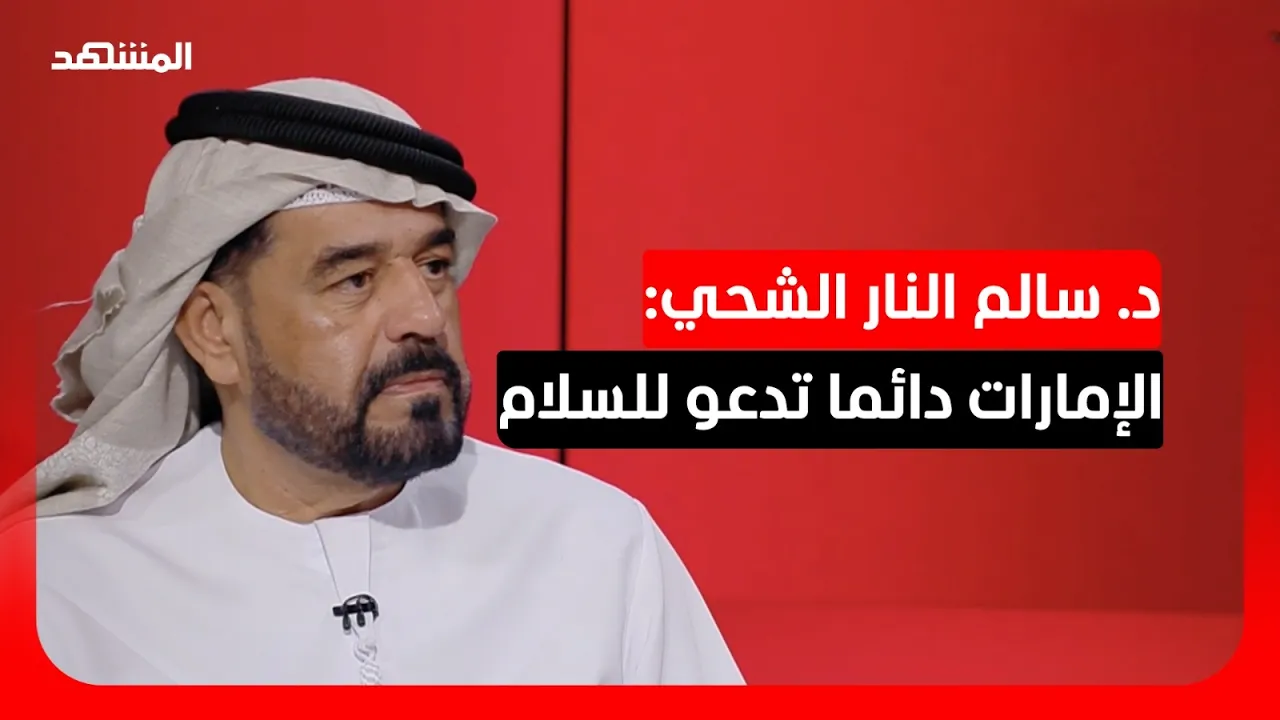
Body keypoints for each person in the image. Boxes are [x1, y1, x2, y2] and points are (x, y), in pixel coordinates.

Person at [21, 78, 743, 685]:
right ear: (215, 331)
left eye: (434, 267)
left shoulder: (592, 544)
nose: (424, 317)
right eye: (355, 279)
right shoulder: (59, 592)